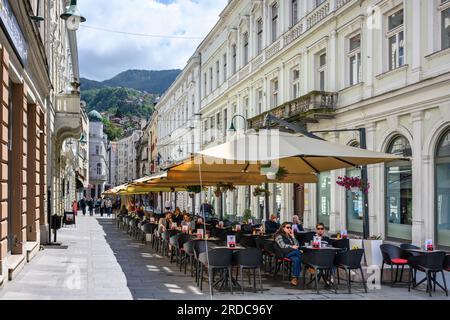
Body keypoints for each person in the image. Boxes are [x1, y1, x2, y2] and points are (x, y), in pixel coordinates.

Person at [274, 222, 302, 286]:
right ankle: (308, 266)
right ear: (283, 228)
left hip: (292, 253)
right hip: (284, 253)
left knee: (297, 259)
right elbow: (282, 245)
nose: (289, 229)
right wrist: (292, 246)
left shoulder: (290, 236)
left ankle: (295, 278)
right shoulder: (279, 236)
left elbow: (297, 245)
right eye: (287, 227)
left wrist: (293, 237)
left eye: (290, 228)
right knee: (298, 251)